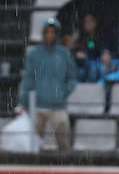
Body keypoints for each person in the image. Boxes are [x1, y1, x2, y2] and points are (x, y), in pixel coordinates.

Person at [18, 17, 77, 150]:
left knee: (63, 139)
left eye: (53, 32)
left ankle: (65, 165)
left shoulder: (64, 54)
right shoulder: (34, 55)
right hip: (38, 105)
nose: (50, 35)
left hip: (58, 105)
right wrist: (23, 103)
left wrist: (63, 92)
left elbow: (72, 78)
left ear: (57, 34)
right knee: (33, 144)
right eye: (47, 32)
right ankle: (33, 168)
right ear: (44, 33)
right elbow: (28, 80)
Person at [67, 12, 106, 82]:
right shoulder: (79, 35)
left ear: (96, 22)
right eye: (86, 22)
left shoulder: (101, 35)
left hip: (95, 62)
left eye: (91, 21)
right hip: (80, 64)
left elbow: (95, 48)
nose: (89, 24)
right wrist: (76, 54)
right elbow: (70, 49)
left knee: (95, 68)